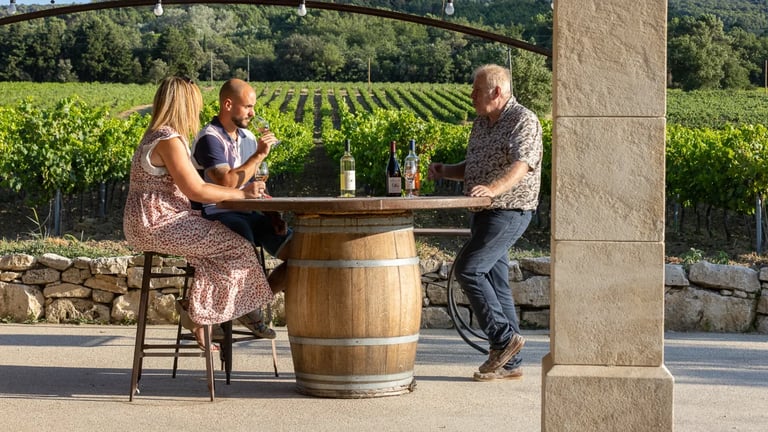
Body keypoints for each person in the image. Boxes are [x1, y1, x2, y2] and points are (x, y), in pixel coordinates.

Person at [123, 76, 273, 350]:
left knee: (216, 246)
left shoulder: (156, 135)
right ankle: (201, 316)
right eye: (195, 104)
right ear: (184, 105)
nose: (198, 111)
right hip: (159, 222)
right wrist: (242, 194)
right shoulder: (168, 139)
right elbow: (197, 190)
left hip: (151, 220)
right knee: (237, 245)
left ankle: (199, 315)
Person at [428, 64, 542, 382]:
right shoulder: (482, 122)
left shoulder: (523, 120)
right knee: (497, 284)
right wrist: (446, 170)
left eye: (476, 90)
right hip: (482, 212)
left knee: (468, 269)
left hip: (509, 210)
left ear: (496, 91)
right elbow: (476, 164)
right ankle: (511, 362)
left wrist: (492, 190)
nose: (471, 95)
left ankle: (503, 340)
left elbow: (523, 165)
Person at [191, 78, 292, 339]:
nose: (253, 113)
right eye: (248, 107)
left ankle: (247, 306)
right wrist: (259, 156)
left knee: (301, 252)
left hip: (249, 212)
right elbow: (226, 182)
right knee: (242, 241)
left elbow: (253, 185)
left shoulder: (247, 137)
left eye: (253, 107)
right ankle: (248, 309)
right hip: (218, 214)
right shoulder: (209, 139)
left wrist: (272, 214)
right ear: (228, 104)